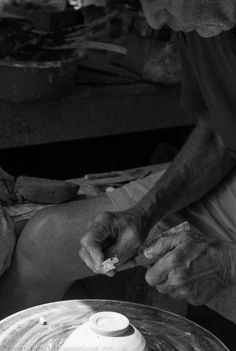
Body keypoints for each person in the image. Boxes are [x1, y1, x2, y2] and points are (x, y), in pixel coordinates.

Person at [0, 0, 236, 324]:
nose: (154, 22)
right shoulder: (201, 24)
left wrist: (226, 263)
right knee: (47, 239)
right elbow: (219, 133)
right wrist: (144, 212)